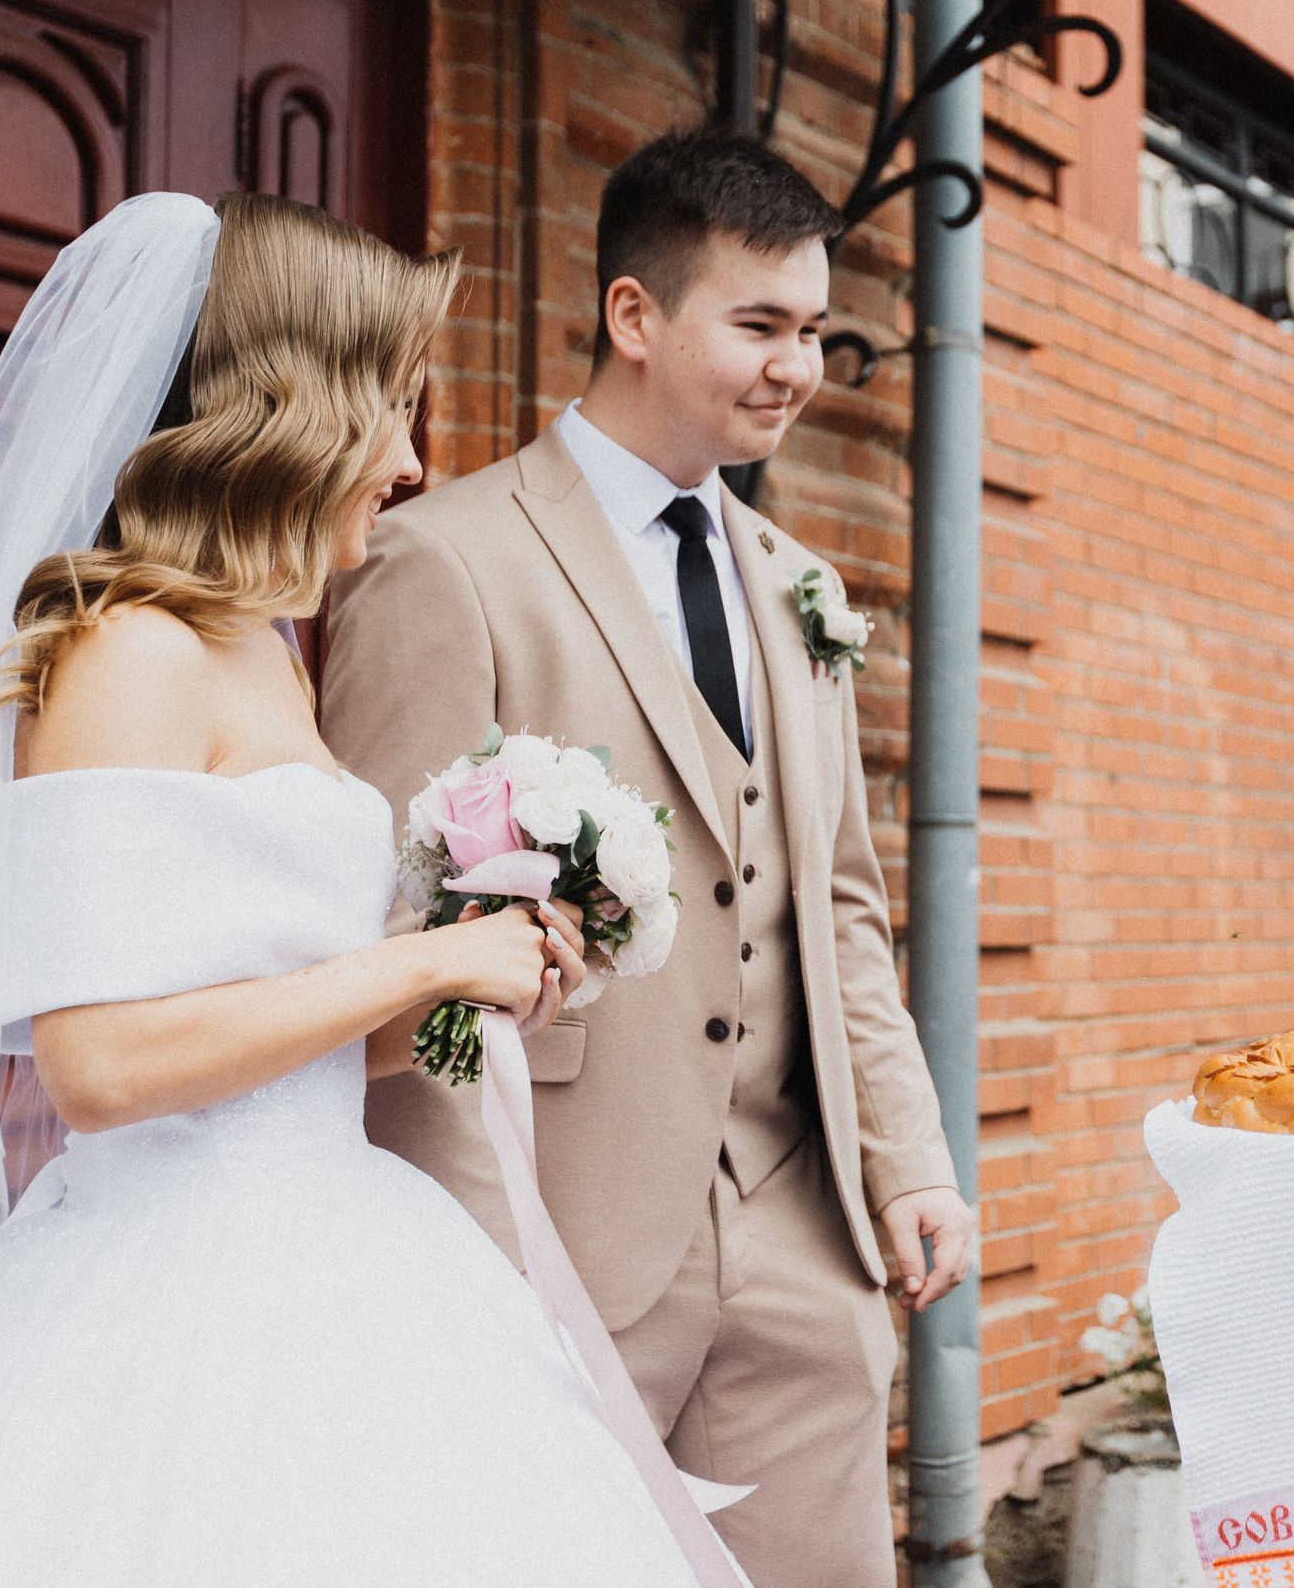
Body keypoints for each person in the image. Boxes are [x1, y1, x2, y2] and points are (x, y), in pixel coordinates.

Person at [0, 192, 732, 1585]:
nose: (410, 461)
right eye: (391, 411)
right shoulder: (128, 651)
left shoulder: (263, 648)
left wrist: (471, 986)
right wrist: (423, 963)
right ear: (291, 408)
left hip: (343, 1242)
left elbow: (281, 1036)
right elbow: (101, 1066)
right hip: (182, 1294)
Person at [320, 127, 972, 1586]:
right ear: (634, 313)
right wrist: (473, 1254)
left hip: (804, 1237)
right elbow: (392, 947)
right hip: (559, 1226)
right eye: (760, 325)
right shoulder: (447, 559)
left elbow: (839, 908)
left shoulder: (802, 588)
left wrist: (905, 1160)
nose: (798, 367)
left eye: (814, 330)